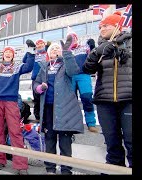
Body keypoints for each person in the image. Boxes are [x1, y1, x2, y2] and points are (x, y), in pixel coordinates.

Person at [82, 11, 132, 168]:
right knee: (111, 142)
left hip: (129, 98)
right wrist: (97, 53)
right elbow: (87, 69)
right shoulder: (100, 46)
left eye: (106, 25)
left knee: (131, 141)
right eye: (100, 26)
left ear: (118, 26)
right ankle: (114, 170)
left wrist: (125, 54)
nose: (102, 29)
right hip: (105, 99)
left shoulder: (130, 43)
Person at [0, 41, 35, 175]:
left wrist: (31, 51)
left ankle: (21, 165)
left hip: (11, 101)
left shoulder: (17, 66)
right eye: (6, 52)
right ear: (3, 55)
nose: (8, 53)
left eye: (10, 52)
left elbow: (29, 67)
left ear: (13, 55)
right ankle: (0, 160)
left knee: (15, 131)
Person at [34, 37, 84, 174]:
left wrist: (67, 53)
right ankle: (50, 169)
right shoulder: (44, 67)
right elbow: (36, 83)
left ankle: (66, 170)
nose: (55, 50)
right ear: (48, 53)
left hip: (65, 109)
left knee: (65, 141)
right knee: (49, 140)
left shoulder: (66, 64)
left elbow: (74, 71)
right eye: (52, 49)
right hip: (48, 109)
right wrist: (39, 88)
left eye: (57, 48)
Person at [67, 28, 98, 133]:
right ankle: (74, 123)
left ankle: (91, 123)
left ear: (76, 38)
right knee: (71, 101)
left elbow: (93, 56)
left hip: (84, 75)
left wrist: (93, 47)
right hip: (70, 77)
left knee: (87, 97)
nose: (72, 40)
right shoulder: (66, 51)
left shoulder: (84, 47)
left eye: (73, 38)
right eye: (69, 39)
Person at [28, 39, 47, 121]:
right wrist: (30, 49)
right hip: (35, 79)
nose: (40, 45)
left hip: (46, 78)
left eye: (41, 43)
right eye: (38, 43)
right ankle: (38, 116)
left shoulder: (48, 53)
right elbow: (25, 60)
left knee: (46, 98)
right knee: (36, 98)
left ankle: (46, 115)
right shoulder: (34, 54)